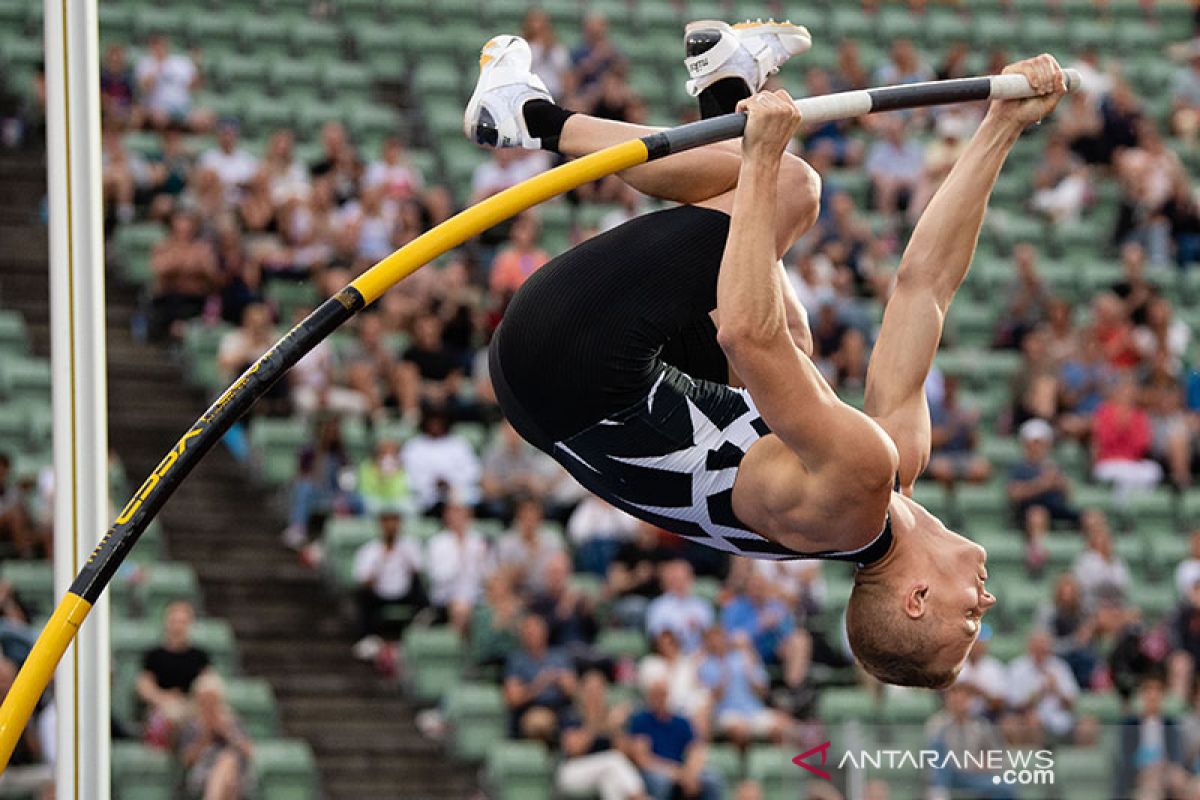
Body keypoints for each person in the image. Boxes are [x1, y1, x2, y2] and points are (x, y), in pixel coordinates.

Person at [469, 28, 1068, 686]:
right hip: (562, 397)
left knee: (788, 189)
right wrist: (1001, 128)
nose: (985, 602)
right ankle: (724, 87)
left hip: (565, 360)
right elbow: (925, 287)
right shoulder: (887, 469)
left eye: (970, 623)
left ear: (916, 601)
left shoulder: (854, 484)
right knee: (796, 341)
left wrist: (760, 162)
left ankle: (530, 118)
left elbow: (746, 339)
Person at [626, 676, 723, 800]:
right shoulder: (640, 721)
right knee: (661, 782)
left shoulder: (681, 722)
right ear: (649, 696)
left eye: (663, 694)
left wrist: (690, 773)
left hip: (682, 769)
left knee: (712, 780)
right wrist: (677, 773)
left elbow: (696, 749)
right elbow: (643, 759)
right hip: (655, 772)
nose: (659, 698)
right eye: (656, 694)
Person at [351, 508, 426, 659]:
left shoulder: (410, 546)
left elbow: (418, 570)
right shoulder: (369, 550)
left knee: (419, 586)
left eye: (394, 521)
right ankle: (367, 637)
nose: (391, 526)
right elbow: (363, 579)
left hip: (404, 592)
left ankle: (422, 626)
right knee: (363, 595)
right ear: (381, 525)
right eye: (387, 522)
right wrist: (381, 561)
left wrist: (403, 558)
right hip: (380, 593)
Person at [137, 601, 213, 747]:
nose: (178, 626)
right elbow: (144, 686)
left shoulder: (199, 656)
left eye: (183, 622)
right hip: (163, 707)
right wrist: (163, 698)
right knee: (173, 714)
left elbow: (208, 682)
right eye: (174, 621)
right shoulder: (154, 655)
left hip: (192, 705)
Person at [696, 626, 786, 748]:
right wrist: (724, 675)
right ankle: (743, 765)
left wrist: (750, 673)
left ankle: (778, 763)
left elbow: (763, 692)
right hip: (727, 713)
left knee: (781, 725)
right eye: (712, 640)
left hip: (753, 710)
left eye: (719, 638)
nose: (717, 643)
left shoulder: (744, 658)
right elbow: (713, 698)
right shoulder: (705, 666)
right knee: (740, 730)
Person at [178, 673, 255, 800]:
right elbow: (187, 759)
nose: (209, 705)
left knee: (228, 761)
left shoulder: (232, 721)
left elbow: (249, 751)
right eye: (205, 701)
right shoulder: (192, 724)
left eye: (212, 700)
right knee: (226, 773)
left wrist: (228, 733)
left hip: (237, 772)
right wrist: (204, 738)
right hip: (203, 771)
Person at [503, 613, 577, 742]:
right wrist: (539, 683)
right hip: (530, 710)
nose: (532, 633)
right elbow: (514, 698)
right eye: (528, 630)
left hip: (560, 710)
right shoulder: (516, 661)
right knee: (538, 722)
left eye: (536, 629)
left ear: (545, 632)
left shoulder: (560, 657)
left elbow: (573, 690)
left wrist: (559, 679)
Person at [1115, 674, 1188, 799]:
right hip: (1141, 773)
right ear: (1141, 695)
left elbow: (1176, 757)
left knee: (1182, 780)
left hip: (1166, 771)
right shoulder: (1130, 725)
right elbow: (1125, 759)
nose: (1153, 695)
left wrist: (1168, 768)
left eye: (1157, 690)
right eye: (1148, 690)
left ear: (1163, 695)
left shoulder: (1170, 724)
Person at [645, 560, 714, 654]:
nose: (680, 584)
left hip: (701, 656)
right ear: (667, 581)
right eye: (675, 579)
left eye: (684, 579)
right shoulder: (658, 606)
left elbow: (711, 636)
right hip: (670, 657)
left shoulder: (702, 605)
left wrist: (699, 627)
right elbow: (656, 637)